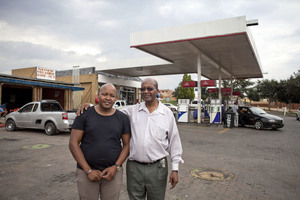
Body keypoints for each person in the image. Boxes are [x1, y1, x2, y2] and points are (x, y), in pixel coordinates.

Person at [78, 78, 184, 200]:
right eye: (143, 89)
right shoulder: (132, 110)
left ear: (157, 91)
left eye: (149, 88)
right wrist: (90, 106)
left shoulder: (167, 114)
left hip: (158, 167)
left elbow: (174, 142)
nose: (145, 91)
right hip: (135, 167)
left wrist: (175, 169)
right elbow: (110, 109)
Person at [69, 83, 131, 200]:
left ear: (116, 98)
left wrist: (116, 167)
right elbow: (73, 143)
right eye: (104, 94)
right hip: (86, 172)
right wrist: (88, 171)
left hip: (113, 173)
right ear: (98, 95)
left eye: (112, 95)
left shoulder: (122, 118)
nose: (108, 98)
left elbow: (127, 145)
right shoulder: (84, 114)